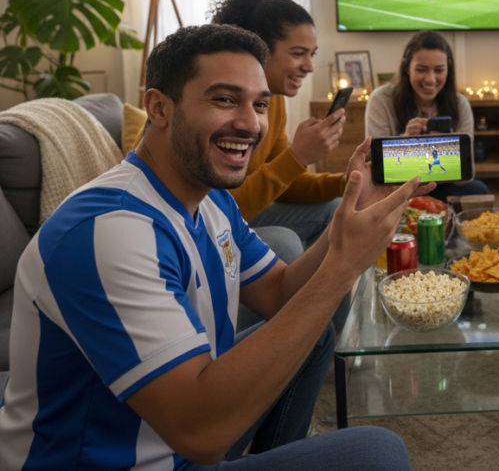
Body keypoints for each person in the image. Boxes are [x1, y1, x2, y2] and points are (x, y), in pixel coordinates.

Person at [0, 24, 424, 470]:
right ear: (159, 107)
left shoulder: (211, 197)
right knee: (378, 454)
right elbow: (198, 434)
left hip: (184, 441)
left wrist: (344, 228)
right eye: (224, 99)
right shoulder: (111, 231)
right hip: (136, 456)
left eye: (259, 104)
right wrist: (343, 266)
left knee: (314, 333)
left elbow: (281, 292)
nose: (251, 123)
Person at [132, 0, 346, 250]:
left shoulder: (273, 102)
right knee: (285, 243)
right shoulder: (186, 117)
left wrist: (346, 181)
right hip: (187, 221)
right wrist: (298, 156)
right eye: (298, 53)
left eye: (311, 55)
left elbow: (282, 182)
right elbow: (215, 206)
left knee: (338, 207)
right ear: (260, 50)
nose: (309, 66)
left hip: (235, 211)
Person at [364, 30, 489, 200]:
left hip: (443, 185)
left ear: (448, 69)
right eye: (421, 70)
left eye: (439, 70)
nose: (430, 79)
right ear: (407, 67)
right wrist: (405, 140)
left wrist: (448, 148)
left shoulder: (460, 104)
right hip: (396, 189)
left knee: (478, 190)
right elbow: (376, 170)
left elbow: (463, 178)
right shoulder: (381, 99)